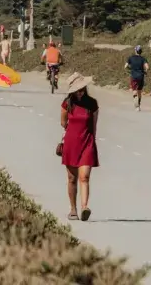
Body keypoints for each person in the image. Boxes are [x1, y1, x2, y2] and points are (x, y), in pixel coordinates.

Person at [60, 73, 99, 221]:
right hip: (71, 143)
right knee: (71, 178)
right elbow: (63, 123)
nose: (80, 92)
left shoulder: (92, 104)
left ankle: (84, 207)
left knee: (85, 176)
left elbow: (94, 126)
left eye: (82, 89)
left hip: (87, 143)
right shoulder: (67, 103)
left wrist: (93, 142)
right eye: (77, 90)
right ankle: (73, 209)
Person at [125, 45, 149, 111]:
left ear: (135, 50)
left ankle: (136, 106)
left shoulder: (131, 58)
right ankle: (139, 105)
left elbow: (125, 66)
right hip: (141, 76)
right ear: (141, 51)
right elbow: (147, 67)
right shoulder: (143, 58)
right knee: (139, 91)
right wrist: (145, 71)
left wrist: (130, 68)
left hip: (134, 76)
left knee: (134, 90)